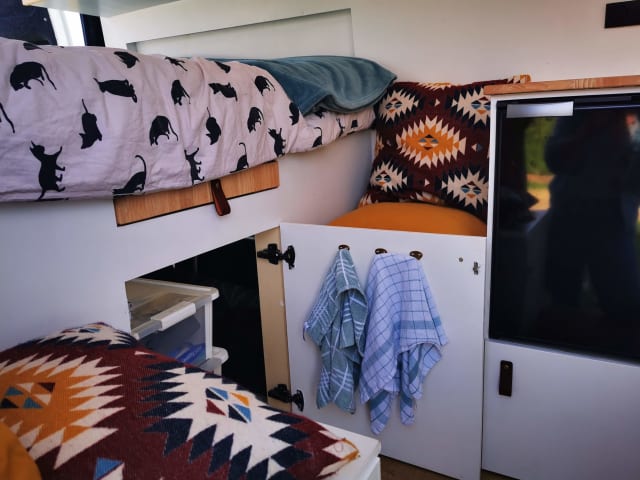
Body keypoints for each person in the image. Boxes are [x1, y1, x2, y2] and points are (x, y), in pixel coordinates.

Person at [544, 108, 640, 331]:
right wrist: (589, 129)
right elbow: (553, 159)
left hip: (615, 218)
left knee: (625, 307)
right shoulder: (579, 112)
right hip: (570, 214)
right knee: (563, 302)